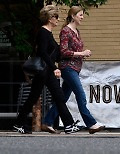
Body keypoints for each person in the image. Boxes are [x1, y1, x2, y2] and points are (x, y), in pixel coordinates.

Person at [13, 5, 81, 134]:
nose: (58, 19)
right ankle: (19, 123)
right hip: (44, 70)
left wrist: (76, 52)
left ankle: (68, 125)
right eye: (56, 17)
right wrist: (55, 68)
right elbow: (43, 53)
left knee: (58, 96)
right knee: (35, 97)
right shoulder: (43, 32)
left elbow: (56, 53)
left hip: (47, 71)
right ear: (50, 18)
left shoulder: (48, 33)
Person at [42, 6, 105, 134]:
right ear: (73, 16)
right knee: (81, 95)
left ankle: (47, 122)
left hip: (75, 68)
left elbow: (74, 51)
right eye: (80, 15)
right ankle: (91, 124)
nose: (82, 17)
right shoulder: (66, 31)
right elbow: (64, 52)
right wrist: (82, 53)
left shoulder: (77, 31)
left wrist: (82, 55)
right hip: (67, 68)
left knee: (63, 98)